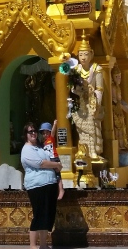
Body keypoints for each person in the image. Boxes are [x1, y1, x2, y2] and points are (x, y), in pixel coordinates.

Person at [21, 122, 62, 249]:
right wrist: (56, 165)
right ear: (26, 135)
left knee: (47, 216)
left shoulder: (40, 147)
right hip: (37, 186)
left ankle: (43, 244)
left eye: (34, 131)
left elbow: (50, 153)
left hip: (49, 184)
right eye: (30, 131)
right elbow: (41, 163)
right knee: (39, 215)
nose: (33, 133)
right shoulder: (26, 149)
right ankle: (33, 246)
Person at [71, 32, 105, 161]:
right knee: (81, 130)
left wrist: (96, 104)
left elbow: (100, 88)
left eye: (86, 54)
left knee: (93, 127)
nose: (83, 57)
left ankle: (93, 151)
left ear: (91, 55)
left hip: (92, 102)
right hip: (80, 103)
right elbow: (72, 88)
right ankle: (83, 150)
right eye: (80, 54)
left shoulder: (97, 69)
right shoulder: (76, 70)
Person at [39, 120, 64, 200]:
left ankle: (61, 190)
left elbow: (53, 132)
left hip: (54, 158)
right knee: (52, 175)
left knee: (57, 175)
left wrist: (55, 124)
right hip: (49, 160)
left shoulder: (51, 139)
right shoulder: (43, 143)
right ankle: (55, 191)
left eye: (47, 133)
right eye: (44, 133)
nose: (45, 135)